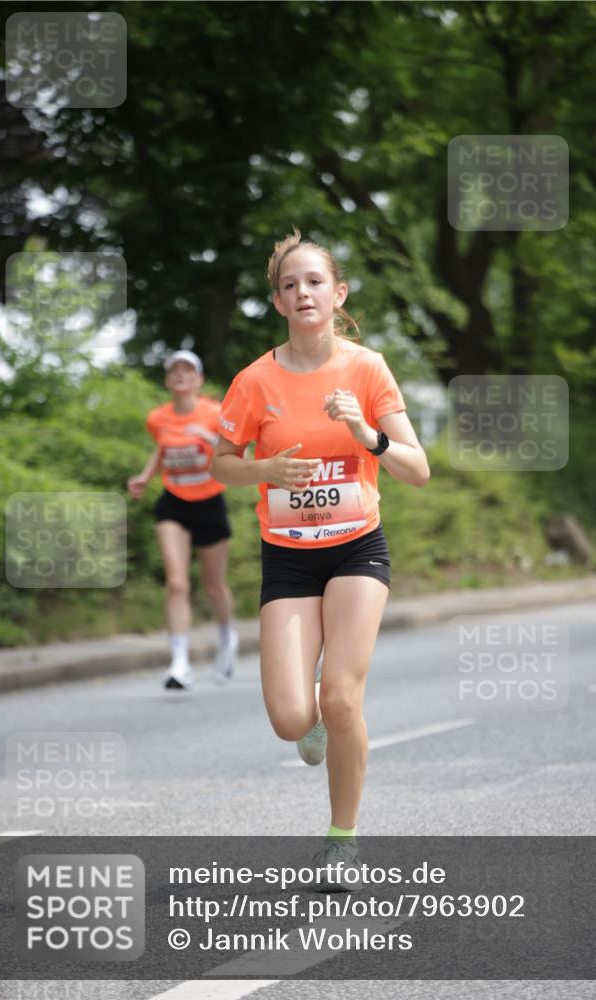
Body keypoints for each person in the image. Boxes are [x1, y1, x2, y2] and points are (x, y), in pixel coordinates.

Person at [210, 229, 430, 888]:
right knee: (289, 719)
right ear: (277, 302)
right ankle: (313, 725)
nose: (301, 293)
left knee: (340, 697)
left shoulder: (366, 368)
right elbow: (221, 465)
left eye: (313, 282)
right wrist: (267, 468)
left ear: (337, 294)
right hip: (287, 558)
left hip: (357, 548)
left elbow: (417, 469)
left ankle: (342, 841)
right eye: (288, 285)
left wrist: (366, 436)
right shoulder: (253, 381)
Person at [127, 349, 239, 690]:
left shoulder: (216, 413)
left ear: (199, 380)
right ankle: (179, 663)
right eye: (174, 370)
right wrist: (146, 476)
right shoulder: (157, 418)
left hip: (209, 502)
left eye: (187, 370)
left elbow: (234, 448)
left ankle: (227, 640)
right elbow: (163, 448)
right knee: (176, 582)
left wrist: (208, 439)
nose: (180, 375)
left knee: (213, 585)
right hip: (173, 502)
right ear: (167, 379)